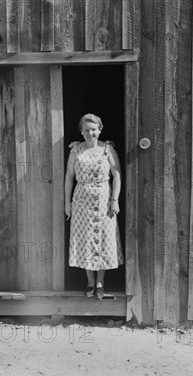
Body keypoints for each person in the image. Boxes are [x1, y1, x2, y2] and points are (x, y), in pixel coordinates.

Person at [65, 113, 124, 300]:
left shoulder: (107, 149)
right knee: (85, 239)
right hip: (82, 200)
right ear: (81, 132)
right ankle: (90, 282)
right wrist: (67, 203)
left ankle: (101, 283)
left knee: (104, 238)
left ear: (100, 130)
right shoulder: (76, 150)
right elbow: (69, 177)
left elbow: (117, 175)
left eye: (94, 129)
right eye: (87, 130)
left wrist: (115, 200)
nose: (91, 133)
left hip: (104, 200)